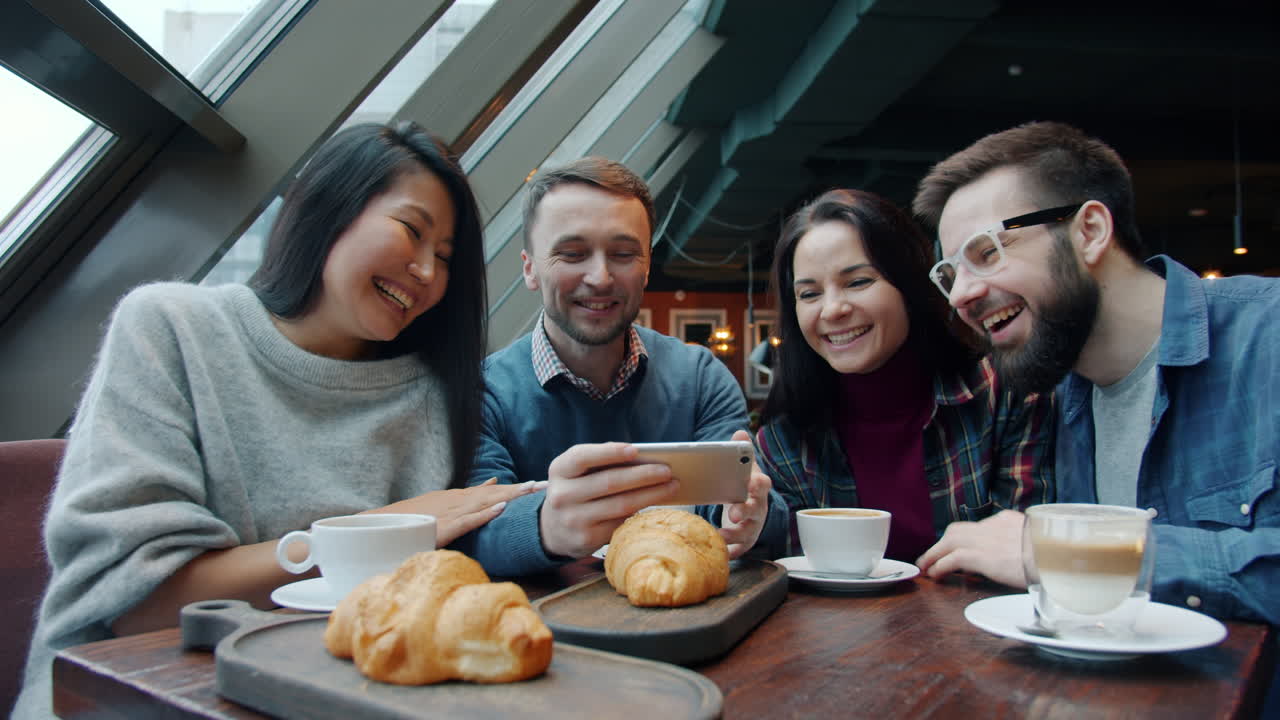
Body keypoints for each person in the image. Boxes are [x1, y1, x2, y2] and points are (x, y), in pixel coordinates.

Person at [14, 122, 542, 719]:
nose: (425, 270)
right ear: (329, 209)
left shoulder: (430, 394)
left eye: (444, 258)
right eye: (411, 231)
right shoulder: (172, 328)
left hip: (322, 699)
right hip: (130, 698)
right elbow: (143, 603)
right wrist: (379, 529)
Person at [911, 121, 1279, 626]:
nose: (960, 297)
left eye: (986, 253)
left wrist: (1073, 555)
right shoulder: (1056, 398)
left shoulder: (1267, 339)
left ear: (1090, 232)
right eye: (950, 274)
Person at [455, 157, 787, 575]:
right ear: (530, 269)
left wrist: (749, 515)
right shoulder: (482, 392)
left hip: (685, 622)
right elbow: (471, 531)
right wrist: (544, 527)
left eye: (624, 253)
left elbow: (756, 514)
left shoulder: (700, 377)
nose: (600, 277)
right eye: (572, 253)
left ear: (647, 267)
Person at [752, 188, 1054, 568]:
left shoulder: (1004, 394)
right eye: (809, 293)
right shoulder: (783, 441)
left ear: (910, 284)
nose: (833, 309)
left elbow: (1031, 551)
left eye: (858, 282)